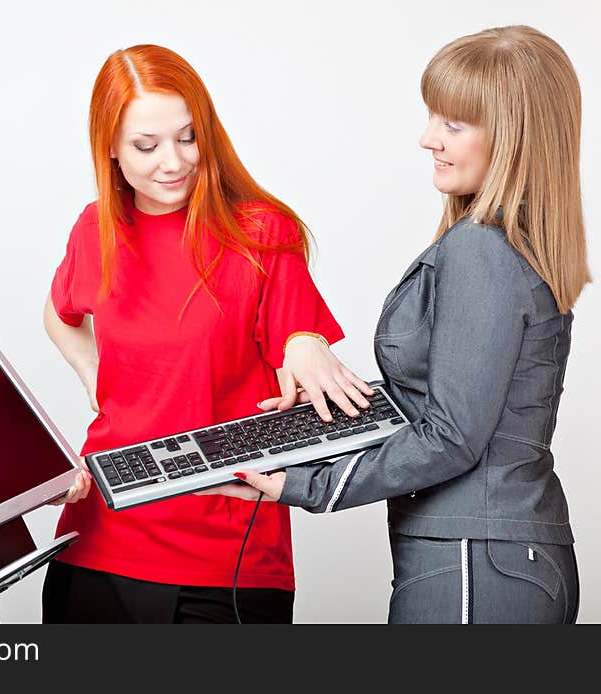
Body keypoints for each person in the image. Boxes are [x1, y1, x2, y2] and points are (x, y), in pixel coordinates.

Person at [209, 25, 590, 623]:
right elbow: (450, 408)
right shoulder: (516, 246)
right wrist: (318, 426)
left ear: (514, 140)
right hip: (505, 557)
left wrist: (305, 484)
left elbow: (453, 436)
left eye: (453, 125)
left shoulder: (480, 252)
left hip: (475, 562)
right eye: (433, 117)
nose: (427, 138)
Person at [41, 44, 374, 623]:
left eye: (188, 137)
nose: (172, 162)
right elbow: (58, 312)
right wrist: (94, 376)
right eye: (146, 146)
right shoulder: (95, 228)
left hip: (226, 554)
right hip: (101, 538)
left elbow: (299, 333)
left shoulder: (261, 231)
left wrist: (306, 340)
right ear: (111, 150)